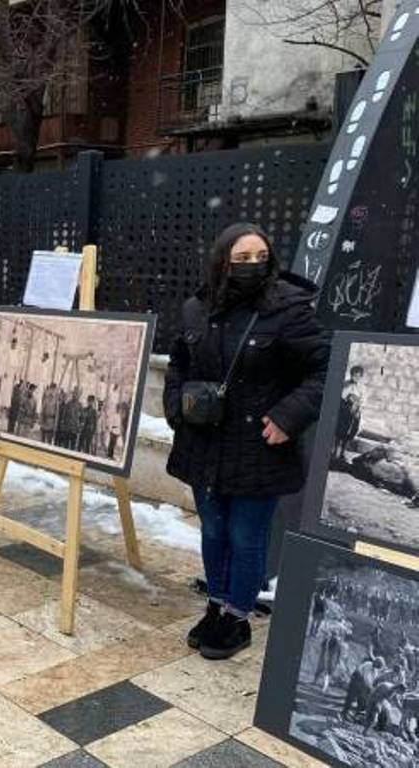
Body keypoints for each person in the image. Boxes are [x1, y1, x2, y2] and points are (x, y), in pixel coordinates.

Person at [164, 222, 329, 660]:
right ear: (222, 261)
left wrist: (288, 417)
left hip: (259, 445)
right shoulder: (196, 309)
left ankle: (237, 617)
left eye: (260, 258)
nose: (252, 266)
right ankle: (216, 605)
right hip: (204, 442)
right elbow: (178, 364)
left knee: (246, 535)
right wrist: (177, 409)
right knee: (214, 530)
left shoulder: (289, 309)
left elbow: (324, 369)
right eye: (241, 259)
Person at [335, 365, 365, 460]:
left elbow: (363, 400)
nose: (356, 377)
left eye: (358, 376)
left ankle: (343, 452)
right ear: (351, 375)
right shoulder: (345, 384)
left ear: (360, 377)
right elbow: (341, 396)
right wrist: (349, 397)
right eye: (354, 375)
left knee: (350, 432)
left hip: (354, 411)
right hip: (344, 410)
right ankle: (335, 451)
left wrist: (357, 406)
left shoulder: (362, 388)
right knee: (340, 431)